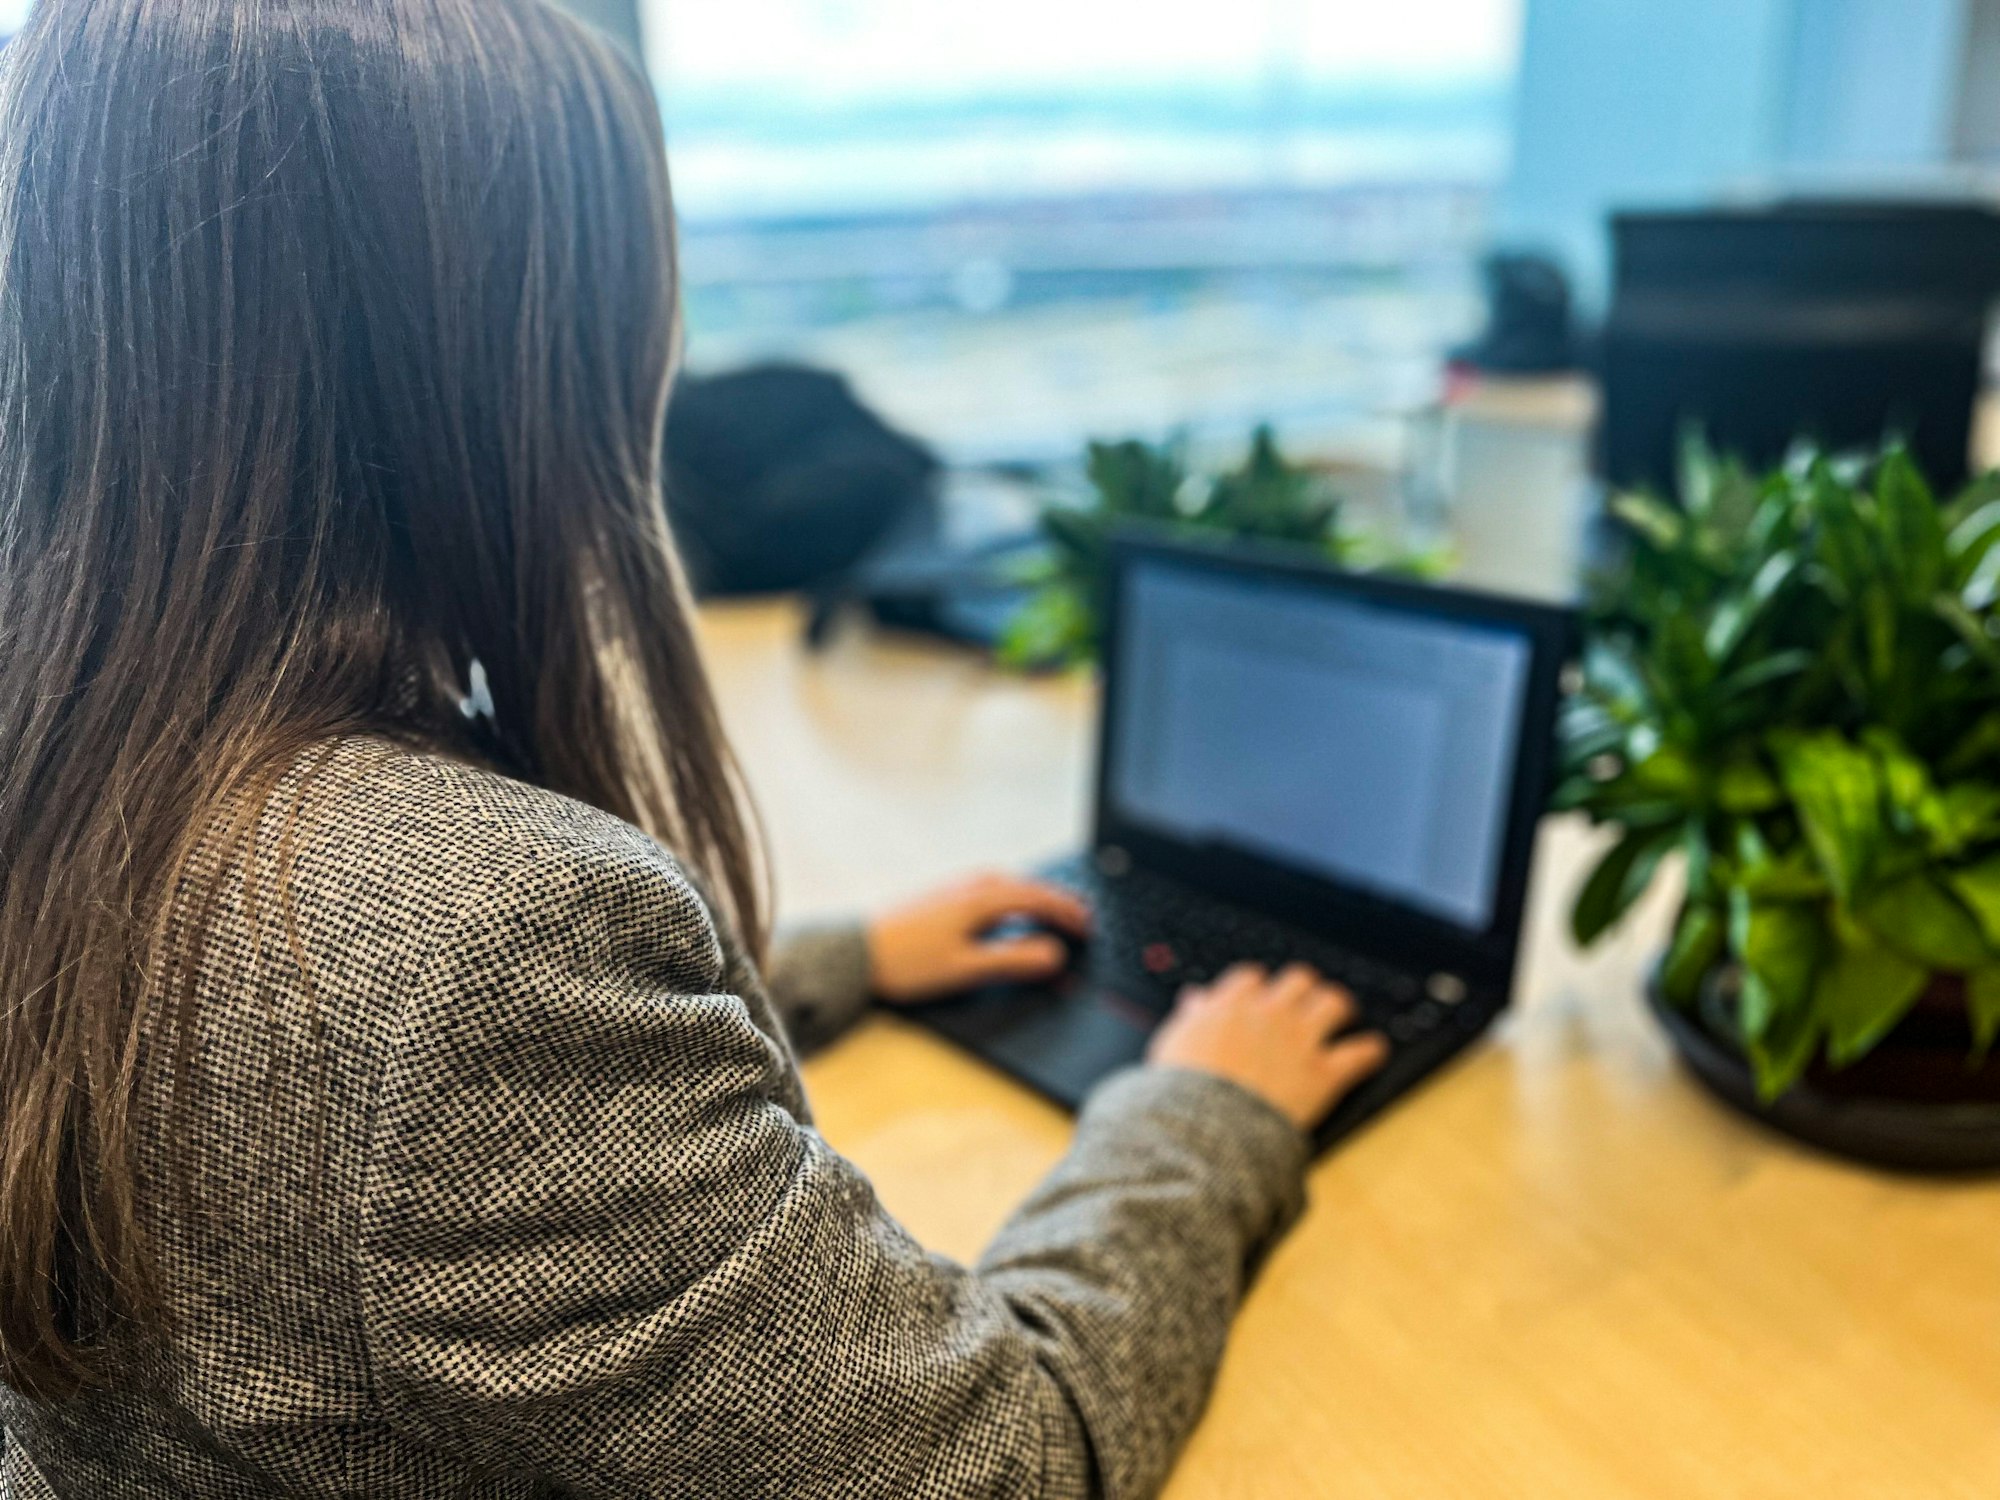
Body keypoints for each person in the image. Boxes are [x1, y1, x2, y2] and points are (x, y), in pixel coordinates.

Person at [0, 2, 1389, 1495]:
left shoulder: (90, 759)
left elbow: (331, 1100)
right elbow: (1002, 1459)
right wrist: (1204, 1113)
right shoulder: (480, 948)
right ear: (506, 377)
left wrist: (826, 960)